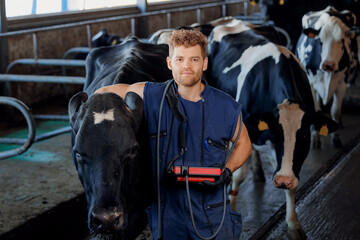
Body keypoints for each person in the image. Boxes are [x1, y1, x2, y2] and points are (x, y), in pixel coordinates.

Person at [96, 29, 252, 240]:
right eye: (180, 59)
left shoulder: (226, 106)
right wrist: (85, 107)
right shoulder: (152, 95)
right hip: (168, 218)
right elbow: (105, 91)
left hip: (212, 215)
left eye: (194, 59)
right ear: (170, 63)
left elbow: (244, 144)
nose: (186, 66)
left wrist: (227, 170)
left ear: (204, 63)